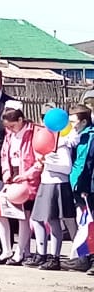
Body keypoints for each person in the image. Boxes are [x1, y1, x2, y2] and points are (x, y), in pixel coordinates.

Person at [28, 108, 78, 271]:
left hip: (57, 184)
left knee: (56, 221)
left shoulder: (61, 144)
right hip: (46, 182)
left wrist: (47, 163)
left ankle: (55, 257)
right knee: (41, 219)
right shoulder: (46, 142)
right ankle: (43, 254)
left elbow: (66, 167)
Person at [0, 104, 41, 266]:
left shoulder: (33, 133)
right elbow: (4, 155)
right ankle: (6, 249)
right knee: (0, 210)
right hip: (12, 176)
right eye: (8, 127)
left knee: (23, 215)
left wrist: (26, 176)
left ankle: (20, 252)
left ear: (21, 120)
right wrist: (6, 172)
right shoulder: (9, 134)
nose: (10, 129)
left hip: (27, 178)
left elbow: (39, 161)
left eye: (13, 126)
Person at [65, 105, 94, 272]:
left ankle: (88, 258)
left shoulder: (90, 136)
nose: (71, 125)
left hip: (87, 185)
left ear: (83, 121)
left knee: (89, 222)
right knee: (82, 221)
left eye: (73, 122)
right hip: (75, 183)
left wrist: (85, 186)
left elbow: (88, 163)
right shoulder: (76, 136)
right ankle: (83, 257)